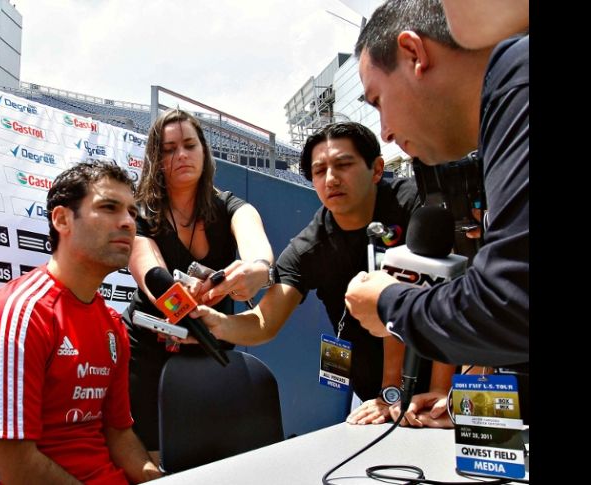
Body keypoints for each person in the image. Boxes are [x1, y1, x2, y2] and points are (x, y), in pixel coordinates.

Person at [190, 121, 455, 427]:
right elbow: (264, 323)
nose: (331, 179)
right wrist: (216, 324)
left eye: (344, 164)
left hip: (447, 393)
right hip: (375, 402)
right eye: (319, 171)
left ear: (377, 169)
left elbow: (454, 293)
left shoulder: (419, 206)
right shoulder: (309, 247)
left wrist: (441, 391)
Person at [345, 0, 528, 420]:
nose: (386, 132)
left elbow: (510, 306)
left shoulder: (518, 80)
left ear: (414, 54)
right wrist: (465, 404)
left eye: (377, 101)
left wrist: (390, 304)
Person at [0, 163, 161, 484]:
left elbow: (119, 435)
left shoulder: (112, 325)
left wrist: (160, 480)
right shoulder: (21, 315)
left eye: (133, 213)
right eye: (109, 207)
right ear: (62, 219)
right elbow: (17, 469)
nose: (128, 223)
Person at [123, 108, 274, 457]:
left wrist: (257, 270)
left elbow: (256, 245)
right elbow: (149, 273)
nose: (181, 155)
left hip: (212, 344)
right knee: (153, 454)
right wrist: (178, 300)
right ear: (156, 159)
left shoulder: (230, 206)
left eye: (190, 145)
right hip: (149, 351)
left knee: (213, 452)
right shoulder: (141, 213)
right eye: (169, 148)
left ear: (205, 152)